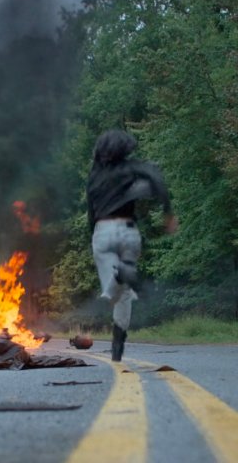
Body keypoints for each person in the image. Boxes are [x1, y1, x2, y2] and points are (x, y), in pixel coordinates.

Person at [86, 129, 177, 361]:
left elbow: (91, 212)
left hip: (103, 231)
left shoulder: (94, 176)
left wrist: (94, 234)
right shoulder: (131, 168)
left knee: (113, 290)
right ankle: (117, 349)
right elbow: (155, 178)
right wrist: (167, 212)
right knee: (124, 294)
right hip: (128, 231)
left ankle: (118, 277)